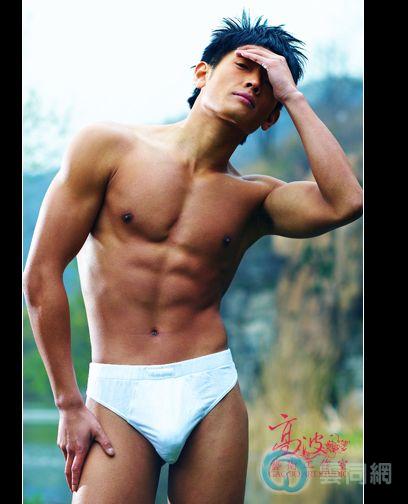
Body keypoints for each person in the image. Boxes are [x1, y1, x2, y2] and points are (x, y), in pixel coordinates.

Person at [23, 9, 363, 504]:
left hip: (210, 392)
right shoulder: (108, 148)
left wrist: (293, 96)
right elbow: (40, 274)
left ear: (271, 117)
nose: (254, 81)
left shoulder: (255, 198)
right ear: (202, 73)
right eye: (243, 65)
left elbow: (346, 202)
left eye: (269, 82)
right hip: (118, 391)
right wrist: (68, 402)